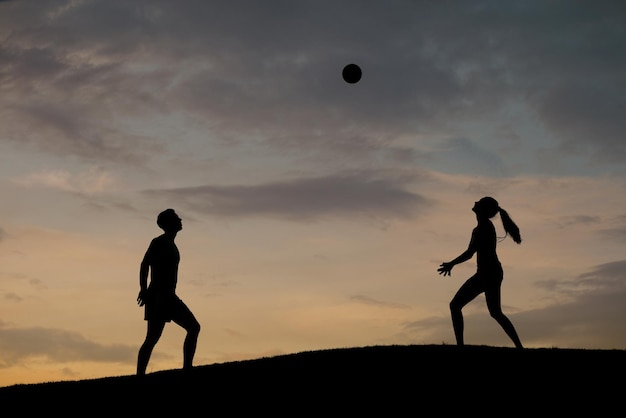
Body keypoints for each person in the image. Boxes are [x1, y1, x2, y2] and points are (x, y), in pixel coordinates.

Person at [437, 197, 523, 349]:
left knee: (456, 305)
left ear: (482, 209)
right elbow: (471, 253)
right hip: (490, 273)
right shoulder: (483, 227)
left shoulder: (483, 228)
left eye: (479, 202)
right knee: (495, 312)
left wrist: (451, 264)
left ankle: (460, 346)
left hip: (487, 274)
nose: (475, 202)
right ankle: (519, 347)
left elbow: (470, 253)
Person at [136, 209, 201, 375]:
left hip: (169, 296)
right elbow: (145, 264)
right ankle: (140, 375)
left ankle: (187, 367)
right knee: (152, 338)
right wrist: (143, 289)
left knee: (193, 328)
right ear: (168, 223)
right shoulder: (159, 242)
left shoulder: (171, 244)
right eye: (176, 218)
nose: (180, 220)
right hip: (158, 296)